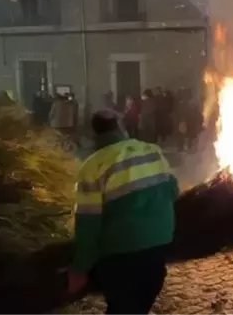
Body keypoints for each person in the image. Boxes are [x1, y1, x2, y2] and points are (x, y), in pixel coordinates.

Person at [68, 110, 178, 315]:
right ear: (120, 127)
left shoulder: (92, 166)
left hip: (120, 254)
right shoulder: (152, 150)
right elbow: (173, 191)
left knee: (123, 306)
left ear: (94, 134)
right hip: (159, 246)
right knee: (140, 302)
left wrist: (80, 269)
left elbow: (88, 224)